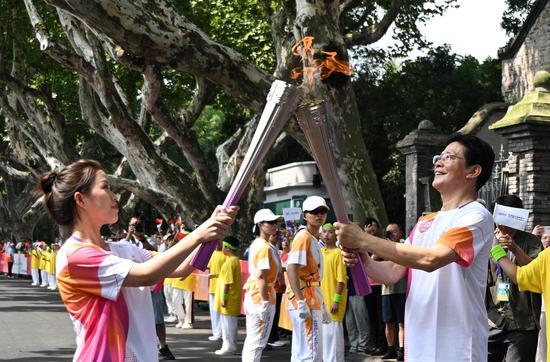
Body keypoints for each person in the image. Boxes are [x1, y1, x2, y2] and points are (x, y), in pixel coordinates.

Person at [37, 159, 237, 361]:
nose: (115, 196)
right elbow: (147, 275)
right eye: (105, 187)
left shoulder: (124, 249)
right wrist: (199, 234)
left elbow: (181, 268)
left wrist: (213, 232)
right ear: (81, 200)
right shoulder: (75, 257)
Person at [336, 133, 495, 361]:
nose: (438, 162)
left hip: (457, 345)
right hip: (419, 341)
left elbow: (431, 259)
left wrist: (363, 239)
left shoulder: (476, 217)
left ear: (473, 171)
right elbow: (391, 272)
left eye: (449, 157)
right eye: (439, 157)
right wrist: (364, 258)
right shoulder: (425, 222)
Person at [486, 195, 542, 362]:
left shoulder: (531, 241)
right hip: (492, 319)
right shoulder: (487, 239)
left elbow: (536, 272)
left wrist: (515, 249)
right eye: (499, 220)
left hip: (523, 321)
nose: (502, 225)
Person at [286, 196, 330, 361]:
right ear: (305, 215)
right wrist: (301, 301)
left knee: (304, 351)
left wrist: (322, 303)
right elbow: (292, 268)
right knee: (310, 353)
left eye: (322, 211)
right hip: (305, 299)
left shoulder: (312, 238)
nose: (319, 215)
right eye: (314, 212)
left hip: (311, 297)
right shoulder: (304, 237)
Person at [242, 209, 282, 361]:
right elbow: (261, 276)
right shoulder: (263, 247)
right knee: (257, 342)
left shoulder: (259, 244)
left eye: (275, 222)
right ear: (260, 224)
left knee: (254, 340)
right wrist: (265, 302)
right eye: (271, 222)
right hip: (261, 297)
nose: (274, 225)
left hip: (257, 295)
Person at [320, 223, 347, 361]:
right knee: (325, 340)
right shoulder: (321, 252)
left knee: (334, 340)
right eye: (324, 231)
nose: (326, 234)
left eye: (330, 232)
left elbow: (341, 280)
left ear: (335, 234)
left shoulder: (338, 253)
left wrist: (336, 300)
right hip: (321, 303)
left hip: (333, 303)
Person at [380, 223, 406, 361]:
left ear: (400, 233)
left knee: (402, 322)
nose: (391, 235)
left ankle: (402, 350)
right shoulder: (383, 247)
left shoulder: (405, 245)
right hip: (386, 290)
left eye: (393, 232)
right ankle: (391, 349)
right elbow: (372, 260)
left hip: (401, 289)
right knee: (388, 322)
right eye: (388, 232)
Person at [214, 236, 242, 355]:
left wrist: (224, 299)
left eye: (223, 246)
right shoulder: (235, 260)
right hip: (232, 299)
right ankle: (230, 346)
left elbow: (227, 283)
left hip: (229, 300)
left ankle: (229, 346)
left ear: (227, 248)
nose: (222, 248)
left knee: (228, 325)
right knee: (230, 324)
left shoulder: (230, 262)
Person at [207, 241, 227, 341]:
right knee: (214, 312)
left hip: (221, 287)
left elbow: (226, 273)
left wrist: (215, 275)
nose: (217, 245)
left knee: (221, 311)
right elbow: (209, 269)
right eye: (215, 243)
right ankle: (216, 332)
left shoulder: (226, 256)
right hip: (212, 287)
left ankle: (221, 332)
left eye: (219, 242)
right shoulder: (212, 254)